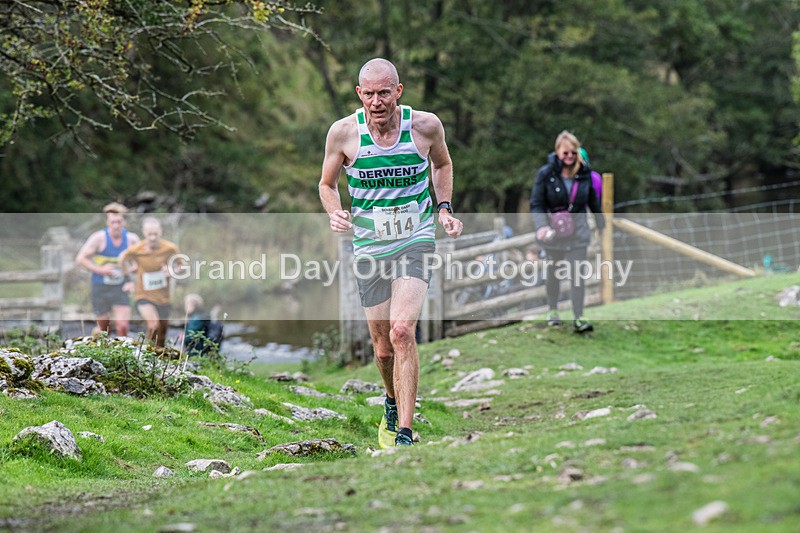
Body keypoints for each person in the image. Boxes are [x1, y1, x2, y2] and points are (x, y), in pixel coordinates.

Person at [319, 58, 463, 448]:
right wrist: (336, 213)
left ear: (398, 91)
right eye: (369, 94)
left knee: (402, 332)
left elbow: (443, 163)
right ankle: (391, 399)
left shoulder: (425, 126)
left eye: (385, 92)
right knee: (382, 348)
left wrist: (444, 208)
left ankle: (404, 431)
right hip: (369, 246)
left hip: (415, 238)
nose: (377, 101)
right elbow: (327, 185)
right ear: (359, 94)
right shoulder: (344, 133)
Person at [530, 130, 605, 333]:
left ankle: (579, 317)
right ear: (558, 152)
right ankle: (553, 310)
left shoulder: (585, 174)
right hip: (554, 233)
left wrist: (601, 224)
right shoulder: (546, 174)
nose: (570, 157)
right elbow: (536, 203)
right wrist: (541, 227)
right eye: (566, 153)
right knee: (553, 274)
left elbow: (592, 201)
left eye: (573, 152)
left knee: (577, 276)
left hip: (578, 233)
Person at [75, 202, 141, 337]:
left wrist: (133, 276)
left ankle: (123, 355)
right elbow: (80, 259)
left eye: (119, 222)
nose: (116, 226)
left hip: (121, 286)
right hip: (100, 286)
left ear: (124, 222)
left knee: (123, 327)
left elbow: (142, 262)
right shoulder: (98, 238)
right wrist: (101, 270)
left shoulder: (132, 239)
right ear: (107, 222)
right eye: (113, 222)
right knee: (104, 330)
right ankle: (103, 350)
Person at [120, 217, 182, 348]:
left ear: (161, 232)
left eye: (155, 234)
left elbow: (182, 267)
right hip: (144, 295)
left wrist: (172, 270)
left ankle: (157, 359)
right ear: (144, 233)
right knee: (154, 325)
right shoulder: (137, 249)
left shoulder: (170, 248)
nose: (153, 237)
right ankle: (145, 353)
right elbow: (122, 259)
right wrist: (129, 272)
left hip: (164, 298)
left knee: (162, 334)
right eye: (150, 234)